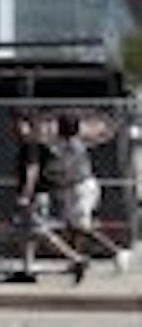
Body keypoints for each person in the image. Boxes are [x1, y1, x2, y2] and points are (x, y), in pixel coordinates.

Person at [46, 111, 131, 277]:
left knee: (82, 226)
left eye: (62, 125)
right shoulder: (63, 144)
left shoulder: (72, 145)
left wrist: (52, 174)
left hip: (81, 188)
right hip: (71, 189)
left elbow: (65, 170)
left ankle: (117, 251)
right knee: (72, 227)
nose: (58, 128)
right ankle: (77, 260)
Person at [8, 110, 89, 283]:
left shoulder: (32, 145)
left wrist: (25, 194)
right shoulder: (35, 144)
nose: (15, 128)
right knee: (27, 235)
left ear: (29, 126)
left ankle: (77, 259)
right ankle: (27, 271)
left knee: (41, 232)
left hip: (34, 195)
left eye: (19, 124)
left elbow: (33, 171)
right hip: (36, 194)